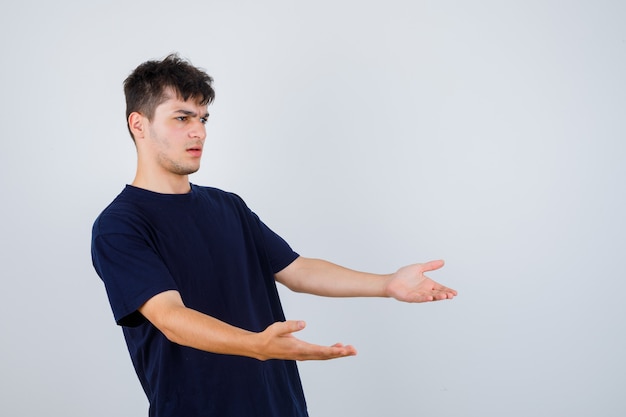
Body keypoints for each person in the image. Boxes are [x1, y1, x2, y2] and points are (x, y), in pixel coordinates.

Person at [91, 53, 457, 417]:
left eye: (203, 118)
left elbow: (297, 270)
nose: (198, 131)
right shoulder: (120, 225)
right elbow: (171, 318)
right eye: (182, 118)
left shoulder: (227, 206)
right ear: (139, 124)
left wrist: (387, 283)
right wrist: (257, 345)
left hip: (279, 406)